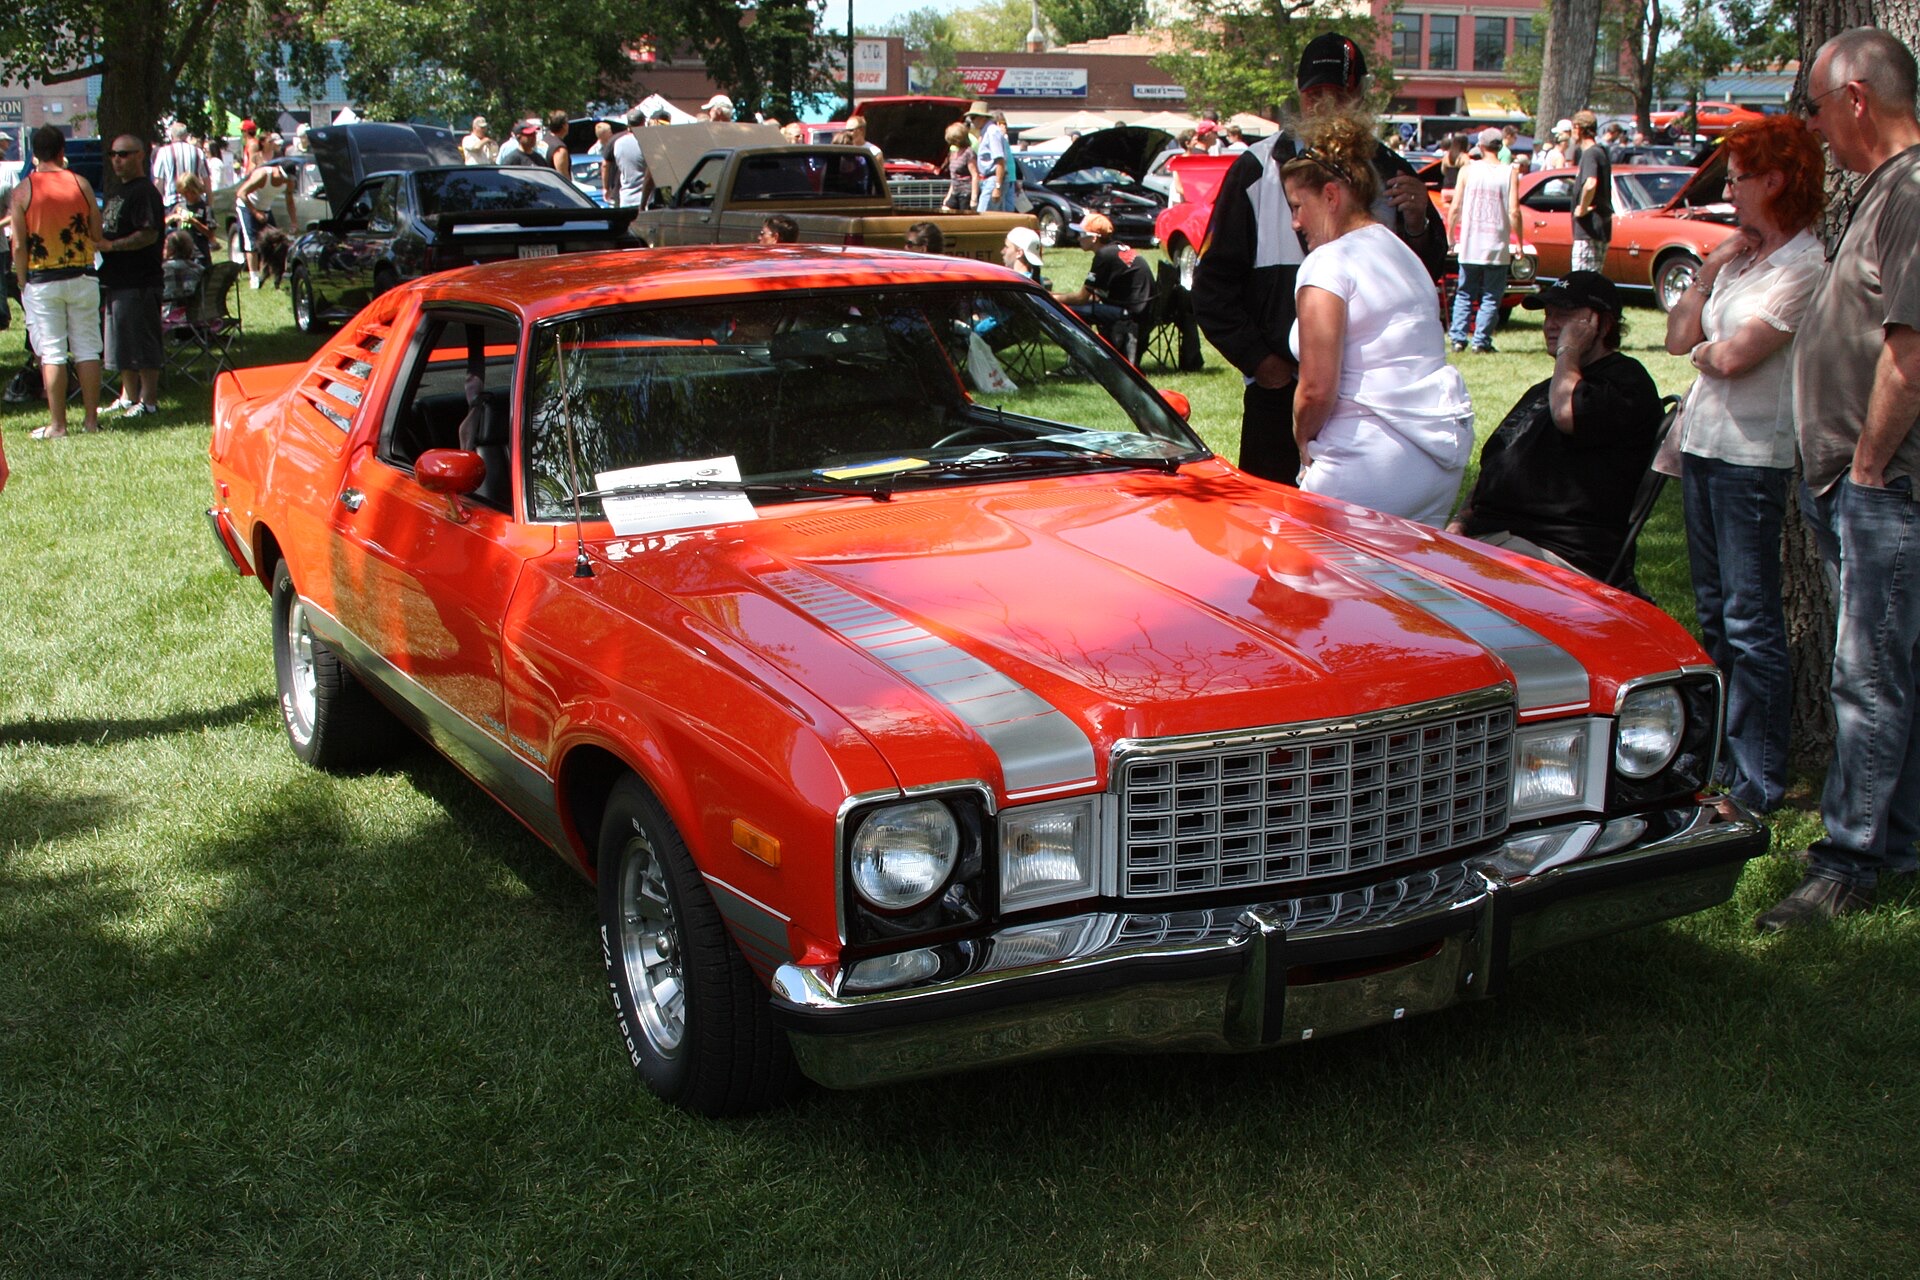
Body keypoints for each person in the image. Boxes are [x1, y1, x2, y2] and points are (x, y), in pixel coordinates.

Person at [1756, 28, 1920, 930]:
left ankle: (1850, 859)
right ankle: (1895, 841)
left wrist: (1865, 465)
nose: (1813, 131)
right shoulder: (1887, 190)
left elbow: (1911, 346)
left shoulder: (1913, 192)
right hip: (1863, 483)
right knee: (1891, 669)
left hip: (1883, 486)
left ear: (1856, 98)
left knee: (1869, 675)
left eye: (1815, 110)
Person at [1191, 31, 1448, 486]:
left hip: (1366, 404)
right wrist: (1263, 366)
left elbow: (1420, 281)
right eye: (1315, 95)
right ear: (1298, 96)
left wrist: (1419, 224)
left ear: (1360, 97)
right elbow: (1211, 288)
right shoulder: (1256, 169)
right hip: (1279, 395)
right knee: (1269, 532)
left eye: (1339, 94)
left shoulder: (1390, 170)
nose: (1327, 106)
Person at [1661, 116, 1825, 816]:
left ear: (1776, 181)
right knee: (1718, 616)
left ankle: (1759, 778)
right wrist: (1710, 269)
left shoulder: (1804, 266)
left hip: (1752, 459)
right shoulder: (1747, 262)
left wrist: (1706, 350)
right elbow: (1677, 338)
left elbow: (1728, 357)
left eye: (1736, 178)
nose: (1727, 189)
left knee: (1754, 623)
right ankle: (1721, 761)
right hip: (1703, 446)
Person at [1281, 111, 1472, 525]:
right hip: (1437, 463)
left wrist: (1301, 442)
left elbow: (1315, 388)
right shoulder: (1402, 255)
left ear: (1331, 196)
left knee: (1300, 579)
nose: (1296, 222)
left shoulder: (1327, 264)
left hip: (1368, 463)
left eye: (1298, 206)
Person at [1448, 272, 1664, 575]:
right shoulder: (1546, 389)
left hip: (1557, 552)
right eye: (1548, 315)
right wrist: (1460, 521)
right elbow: (1495, 460)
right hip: (1496, 539)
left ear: (1601, 324)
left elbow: (1566, 416)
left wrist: (1568, 351)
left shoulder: (1626, 381)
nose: (1550, 324)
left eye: (1564, 316)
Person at [10, 126, 104, 439]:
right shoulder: (81, 184)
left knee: (52, 353)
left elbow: (19, 245)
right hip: (81, 274)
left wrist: (21, 278)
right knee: (88, 348)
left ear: (34, 153)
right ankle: (91, 421)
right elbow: (96, 232)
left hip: (42, 279)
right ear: (62, 150)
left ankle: (58, 425)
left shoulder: (23, 191)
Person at [99, 135, 166, 419]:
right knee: (122, 343)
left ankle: (148, 401)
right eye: (113, 154)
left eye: (124, 154)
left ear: (141, 155)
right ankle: (128, 396)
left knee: (143, 342)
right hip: (116, 278)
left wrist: (112, 246)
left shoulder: (145, 193)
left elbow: (148, 234)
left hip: (140, 280)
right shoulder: (118, 191)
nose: (117, 159)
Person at [1446, 127, 1520, 354]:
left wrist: (1451, 237)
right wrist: (1518, 240)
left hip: (1471, 242)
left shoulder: (1468, 170)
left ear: (1481, 146)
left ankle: (1458, 338)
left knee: (1465, 291)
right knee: (1491, 295)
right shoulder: (1510, 172)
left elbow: (1455, 207)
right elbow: (1514, 211)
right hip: (1496, 243)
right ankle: (1481, 340)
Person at [1051, 212, 1153, 360]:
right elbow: (1094, 295)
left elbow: (1081, 298)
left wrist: (1051, 298)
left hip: (1131, 313)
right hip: (1143, 309)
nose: (1078, 237)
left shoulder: (1104, 255)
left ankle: (1079, 363)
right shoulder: (1116, 249)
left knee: (1071, 311)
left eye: (1082, 234)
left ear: (1094, 238)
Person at [232, 156, 296, 289]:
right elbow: (241, 193)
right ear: (278, 170)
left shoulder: (289, 181)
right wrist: (255, 212)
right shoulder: (263, 175)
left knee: (277, 242)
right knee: (252, 243)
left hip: (265, 209)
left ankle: (270, 274)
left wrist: (294, 222)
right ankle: (253, 277)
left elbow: (289, 200)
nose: (285, 180)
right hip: (247, 207)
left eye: (288, 178)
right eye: (284, 176)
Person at [1569, 110, 1613, 272]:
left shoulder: (1591, 153)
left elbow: (1590, 183)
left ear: (1579, 128)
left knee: (1581, 280)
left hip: (1589, 230)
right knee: (1592, 280)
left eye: (1573, 127)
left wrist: (1581, 208)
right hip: (1598, 228)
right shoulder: (1600, 152)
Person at [151, 122, 209, 213]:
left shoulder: (163, 152)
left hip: (172, 202)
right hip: (195, 202)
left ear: (171, 135)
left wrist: (156, 206)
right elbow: (206, 179)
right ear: (186, 135)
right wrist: (209, 203)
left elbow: (159, 181)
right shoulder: (198, 152)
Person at [968, 102, 1014, 213]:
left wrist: (997, 187)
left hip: (993, 179)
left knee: (982, 217)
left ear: (982, 117)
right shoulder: (985, 132)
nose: (971, 120)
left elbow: (1000, 161)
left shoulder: (992, 132)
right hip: (988, 180)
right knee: (994, 218)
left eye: (973, 117)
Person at [608, 106, 651, 209]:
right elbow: (650, 175)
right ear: (643, 122)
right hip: (645, 201)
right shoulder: (647, 143)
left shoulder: (618, 143)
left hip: (625, 199)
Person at [160, 229, 204, 325]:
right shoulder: (201, 270)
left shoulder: (162, 270)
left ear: (170, 249)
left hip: (169, 317)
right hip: (198, 318)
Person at [940, 122, 978, 213]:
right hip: (955, 192)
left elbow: (975, 175)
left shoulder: (969, 152)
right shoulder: (953, 154)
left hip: (966, 194)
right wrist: (948, 196)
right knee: (945, 211)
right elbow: (954, 178)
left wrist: (974, 199)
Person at [544, 110, 572, 175]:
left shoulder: (544, 140)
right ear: (564, 126)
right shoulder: (560, 149)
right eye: (567, 123)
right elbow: (563, 177)